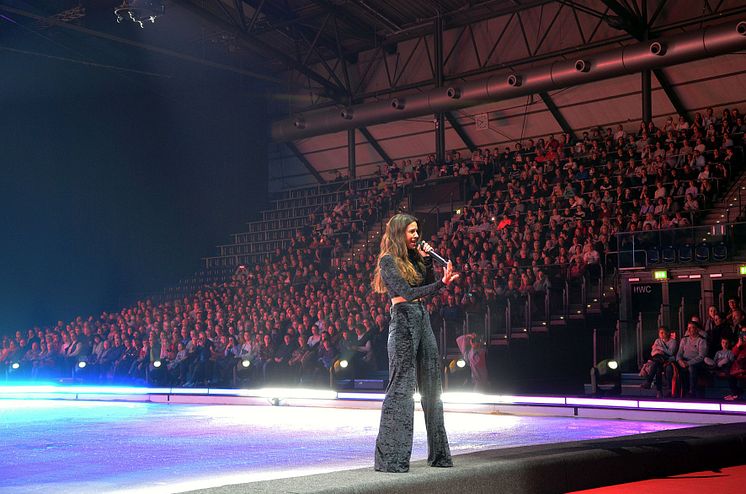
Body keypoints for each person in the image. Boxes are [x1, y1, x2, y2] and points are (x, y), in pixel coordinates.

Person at [371, 213, 458, 473]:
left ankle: (439, 455)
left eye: (417, 231)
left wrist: (428, 262)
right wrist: (441, 285)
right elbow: (408, 293)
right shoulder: (388, 261)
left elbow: (426, 285)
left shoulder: (414, 258)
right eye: (411, 231)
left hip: (422, 318)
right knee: (402, 389)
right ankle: (392, 459)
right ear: (399, 233)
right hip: (403, 322)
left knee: (432, 386)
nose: (416, 235)